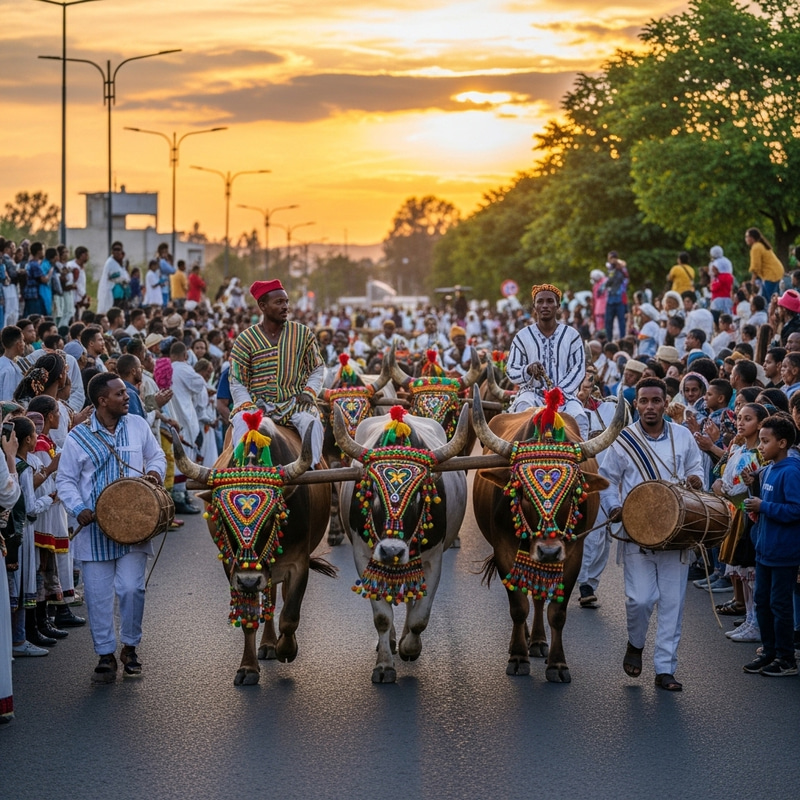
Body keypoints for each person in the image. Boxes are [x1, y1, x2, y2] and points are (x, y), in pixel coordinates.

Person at [56, 373, 166, 683]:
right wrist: (79, 509)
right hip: (95, 531)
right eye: (119, 394)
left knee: (132, 588)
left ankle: (129, 648)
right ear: (102, 401)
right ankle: (105, 654)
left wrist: (155, 475)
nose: (127, 397)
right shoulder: (77, 437)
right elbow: (65, 480)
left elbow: (155, 455)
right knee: (98, 596)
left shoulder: (138, 425)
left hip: (135, 527)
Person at [600, 377, 705, 691]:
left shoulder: (684, 436)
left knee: (672, 603)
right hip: (638, 533)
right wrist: (615, 508)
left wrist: (696, 480)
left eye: (655, 401)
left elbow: (696, 467)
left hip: (677, 533)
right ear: (636, 404)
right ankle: (635, 642)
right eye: (643, 401)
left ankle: (665, 669)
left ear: (665, 403)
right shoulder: (624, 439)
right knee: (640, 599)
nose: (649, 407)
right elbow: (606, 480)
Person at [228, 279, 325, 464]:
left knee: (312, 423)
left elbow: (318, 367)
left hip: (295, 405)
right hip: (256, 406)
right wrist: (248, 405)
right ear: (262, 306)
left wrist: (309, 392)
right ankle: (239, 472)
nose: (285, 307)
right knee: (242, 421)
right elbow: (236, 379)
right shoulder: (245, 339)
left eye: (286, 301)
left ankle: (311, 473)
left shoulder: (303, 334)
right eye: (279, 302)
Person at [742, 415, 800, 676]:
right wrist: (752, 485)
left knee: (780, 605)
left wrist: (763, 506)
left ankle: (786, 659)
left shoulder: (791, 471)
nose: (761, 446)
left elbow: (795, 509)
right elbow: (763, 500)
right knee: (762, 602)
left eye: (766, 441)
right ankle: (769, 652)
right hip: (764, 550)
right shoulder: (767, 469)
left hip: (784, 552)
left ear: (783, 443)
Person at [506, 283, 589, 439]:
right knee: (522, 409)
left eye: (550, 301)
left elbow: (578, 369)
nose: (545, 305)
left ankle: (581, 462)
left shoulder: (572, 335)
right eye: (540, 301)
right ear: (534, 306)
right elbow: (511, 369)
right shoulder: (522, 336)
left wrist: (557, 393)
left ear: (558, 306)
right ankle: (520, 458)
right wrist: (528, 370)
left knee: (579, 418)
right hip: (532, 394)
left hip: (565, 397)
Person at [746, 228, 784, 299]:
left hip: (771, 275)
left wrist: (752, 281)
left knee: (770, 300)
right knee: (772, 298)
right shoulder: (760, 245)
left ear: (752, 238)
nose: (746, 239)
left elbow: (756, 267)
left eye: (747, 236)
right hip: (777, 272)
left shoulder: (756, 247)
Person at [0, 326, 24, 401]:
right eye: (23, 340)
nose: (24, 344)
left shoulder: (2, 362)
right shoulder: (10, 370)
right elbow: (8, 401)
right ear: (18, 344)